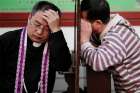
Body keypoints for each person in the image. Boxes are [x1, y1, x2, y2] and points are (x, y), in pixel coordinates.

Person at [0, 1, 72, 93]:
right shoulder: (7, 40)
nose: (39, 32)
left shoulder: (54, 42)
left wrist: (56, 30)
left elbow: (64, 66)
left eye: (47, 28)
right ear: (29, 18)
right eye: (37, 24)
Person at [80, 0, 140, 92]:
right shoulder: (109, 25)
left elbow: (98, 62)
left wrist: (84, 41)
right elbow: (93, 43)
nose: (82, 25)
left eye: (85, 21)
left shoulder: (117, 36)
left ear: (98, 23)